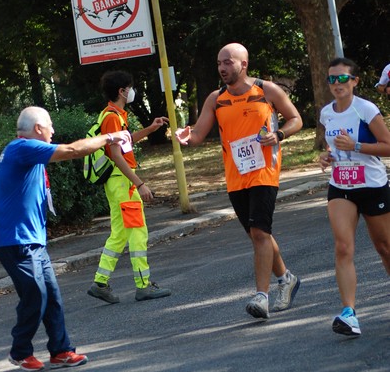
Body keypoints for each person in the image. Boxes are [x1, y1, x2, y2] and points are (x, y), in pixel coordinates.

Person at [0, 106, 129, 372]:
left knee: (51, 295)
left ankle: (61, 351)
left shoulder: (24, 150)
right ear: (38, 129)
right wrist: (110, 137)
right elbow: (74, 150)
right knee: (35, 294)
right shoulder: (23, 148)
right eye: (50, 125)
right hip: (15, 241)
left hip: (32, 240)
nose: (54, 130)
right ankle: (20, 351)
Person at [175, 43, 303, 320]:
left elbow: (296, 119)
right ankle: (287, 278)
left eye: (228, 62)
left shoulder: (267, 91)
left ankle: (261, 296)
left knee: (259, 233)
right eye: (219, 63)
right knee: (258, 234)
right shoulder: (215, 99)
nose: (222, 68)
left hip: (264, 172)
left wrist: (278, 135)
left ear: (243, 64)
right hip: (235, 177)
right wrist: (186, 137)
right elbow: (198, 136)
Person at [320, 57, 390, 337]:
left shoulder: (366, 109)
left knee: (385, 248)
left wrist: (357, 145)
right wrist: (327, 156)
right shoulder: (326, 113)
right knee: (343, 247)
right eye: (331, 79)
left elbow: (388, 146)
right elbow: (334, 147)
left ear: (354, 81)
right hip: (341, 185)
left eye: (342, 79)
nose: (337, 84)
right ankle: (349, 313)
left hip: (372, 185)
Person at [87, 70, 171, 304]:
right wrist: (139, 183)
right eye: (130, 87)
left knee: (120, 233)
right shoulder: (112, 117)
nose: (132, 91)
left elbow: (125, 142)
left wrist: (150, 129)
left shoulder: (113, 115)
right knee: (137, 232)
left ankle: (100, 283)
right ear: (122, 91)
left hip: (116, 183)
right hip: (123, 184)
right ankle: (143, 286)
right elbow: (115, 154)